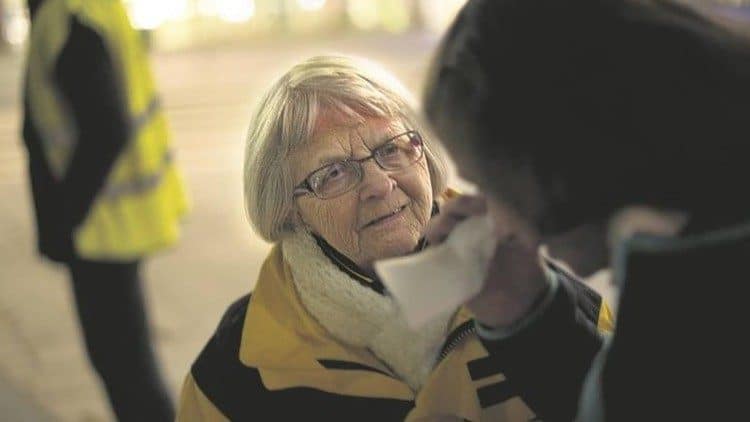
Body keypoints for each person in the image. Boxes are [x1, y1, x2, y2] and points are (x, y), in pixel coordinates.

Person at [177, 55, 613, 421]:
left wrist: (532, 327)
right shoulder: (239, 369)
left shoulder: (536, 296)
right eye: (333, 172)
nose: (380, 185)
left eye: (391, 149)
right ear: (289, 210)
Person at [423, 0, 750, 421]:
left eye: (496, 185)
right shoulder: (697, 254)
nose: (500, 225)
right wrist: (520, 312)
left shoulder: (701, 293)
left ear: (562, 155)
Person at [22, 0, 189, 419]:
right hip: (106, 221)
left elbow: (106, 129)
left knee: (125, 370)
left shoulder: (69, 18)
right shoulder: (82, 10)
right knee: (126, 365)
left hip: (100, 226)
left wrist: (65, 219)